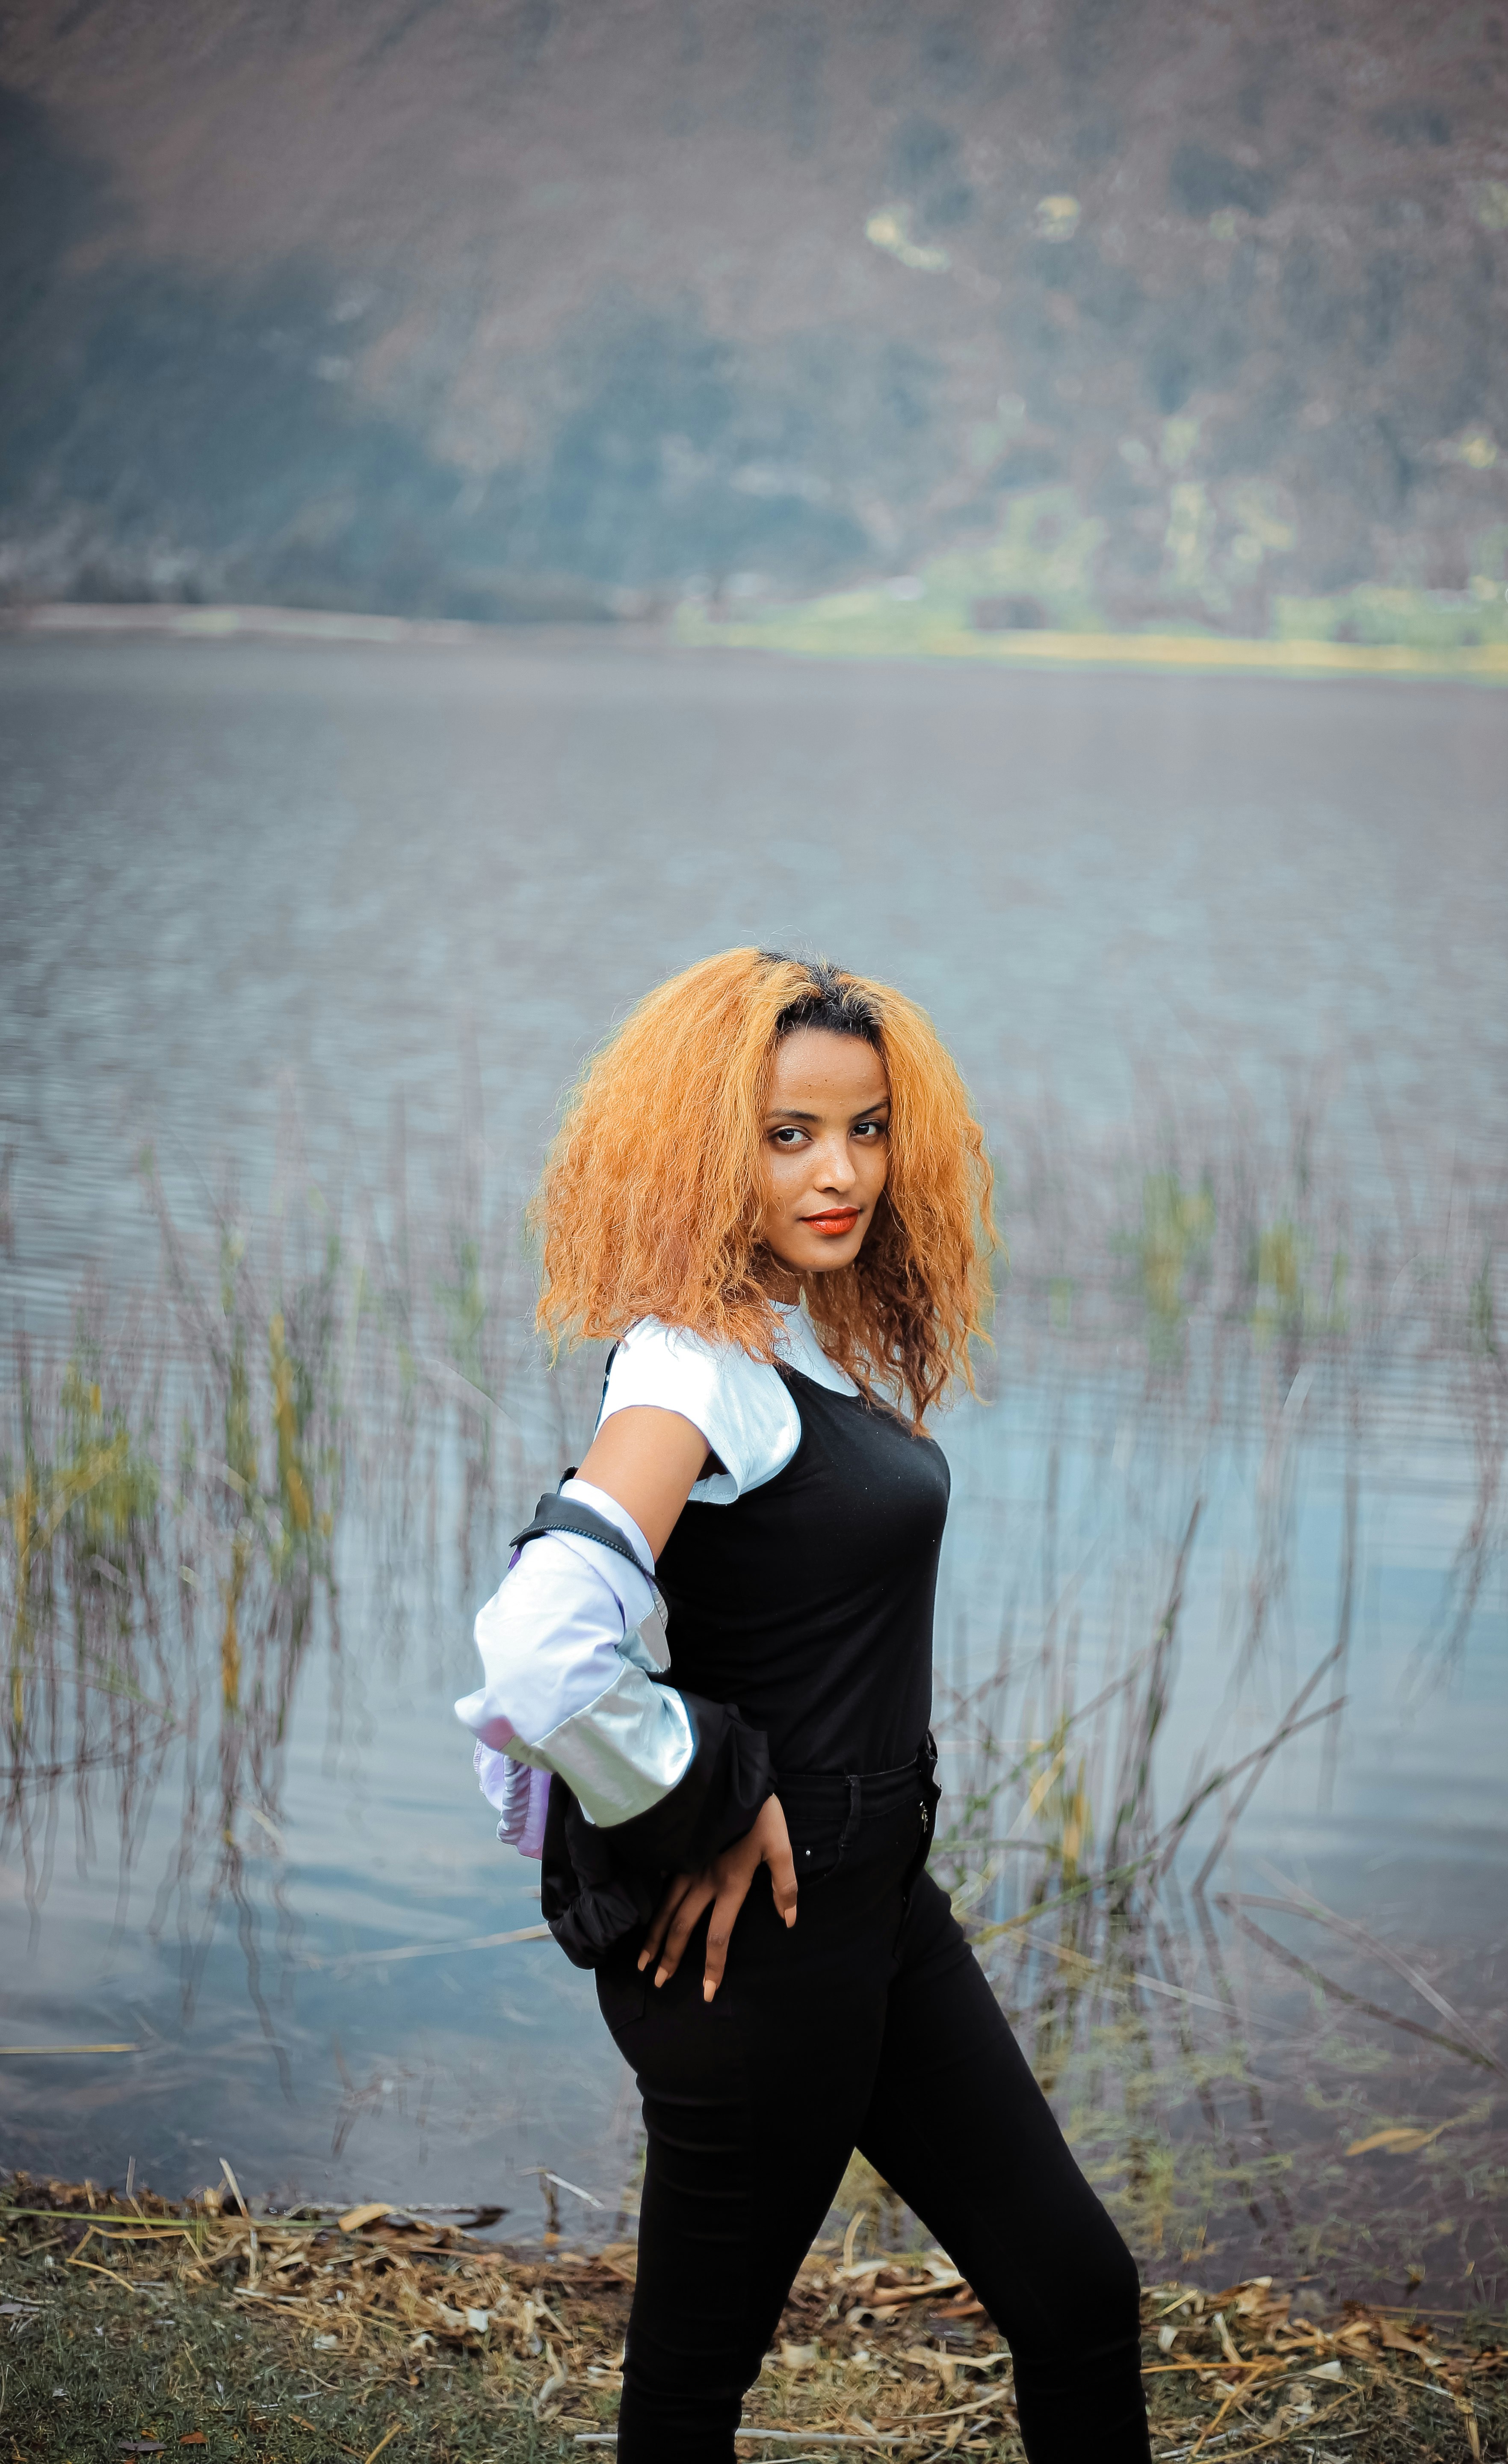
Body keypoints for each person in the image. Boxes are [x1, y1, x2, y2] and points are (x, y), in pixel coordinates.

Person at [455, 950, 1148, 2463]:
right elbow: (537, 1649)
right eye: (788, 1135)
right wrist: (700, 1785)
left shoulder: (758, 1353)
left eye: (868, 1128)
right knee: (692, 2399)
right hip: (755, 1964)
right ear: (706, 1149)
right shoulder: (687, 1374)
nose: (842, 1174)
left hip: (876, 1909)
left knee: (1082, 2294)